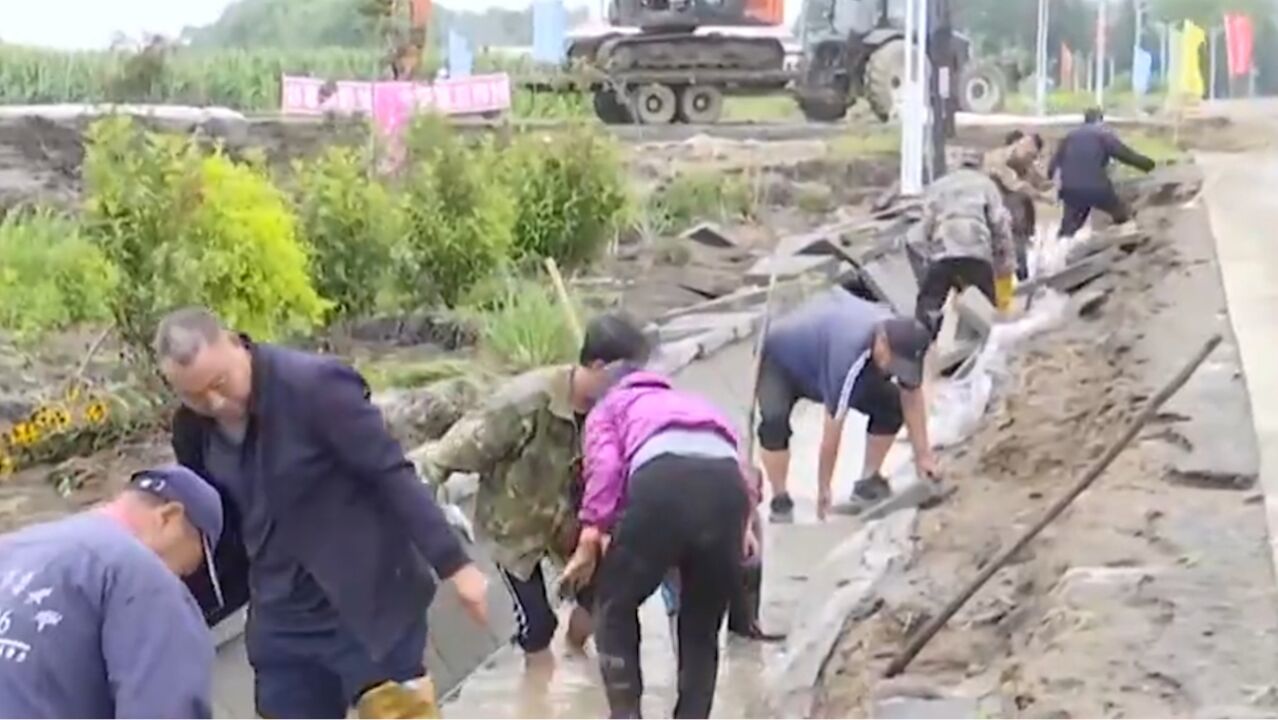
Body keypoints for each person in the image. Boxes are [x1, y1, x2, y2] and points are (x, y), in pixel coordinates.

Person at [156, 306, 489, 719]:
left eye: (220, 383)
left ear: (232, 343)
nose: (214, 402)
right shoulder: (192, 430)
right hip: (282, 620)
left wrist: (455, 564)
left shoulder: (313, 386)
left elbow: (389, 472)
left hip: (369, 608)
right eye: (194, 395)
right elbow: (212, 521)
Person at [412, 313, 652, 664]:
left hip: (571, 526)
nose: (635, 383)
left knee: (603, 602)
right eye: (628, 374)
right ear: (599, 366)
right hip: (514, 532)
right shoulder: (524, 402)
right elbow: (447, 455)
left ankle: (574, 662)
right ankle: (535, 683)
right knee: (538, 626)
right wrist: (417, 515)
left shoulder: (618, 410)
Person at [561, 365, 758, 719]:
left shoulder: (611, 407)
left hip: (662, 487)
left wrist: (593, 530)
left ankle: (626, 714)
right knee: (701, 625)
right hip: (726, 495)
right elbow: (743, 471)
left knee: (616, 605)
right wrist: (744, 527)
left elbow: (605, 468)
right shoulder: (699, 405)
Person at [0, 465, 222, 719]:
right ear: (169, 517)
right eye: (186, 569)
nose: (179, 579)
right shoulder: (142, 575)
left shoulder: (13, 547)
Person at [758, 288, 936, 523]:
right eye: (893, 363)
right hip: (781, 361)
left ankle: (868, 481)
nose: (895, 371)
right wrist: (824, 490)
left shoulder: (901, 337)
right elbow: (832, 433)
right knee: (774, 423)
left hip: (824, 351)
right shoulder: (849, 355)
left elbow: (911, 396)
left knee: (892, 405)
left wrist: (923, 456)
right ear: (881, 342)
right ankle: (780, 499)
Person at [912, 150, 1017, 334]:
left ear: (957, 164)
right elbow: (1000, 225)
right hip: (976, 251)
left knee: (929, 303)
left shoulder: (940, 185)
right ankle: (981, 347)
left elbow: (923, 228)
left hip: (943, 250)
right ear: (980, 165)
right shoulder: (987, 185)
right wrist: (1004, 263)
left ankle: (923, 340)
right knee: (984, 308)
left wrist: (927, 257)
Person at [1049, 107, 1156, 239]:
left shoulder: (1069, 137)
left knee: (1068, 228)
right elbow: (1124, 155)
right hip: (1096, 187)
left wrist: (1052, 182)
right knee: (1121, 213)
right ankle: (1128, 246)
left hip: (1070, 189)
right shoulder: (1102, 135)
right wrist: (1149, 165)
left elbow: (1053, 164)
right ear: (1099, 121)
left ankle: (1058, 255)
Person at [984, 129, 1052, 280]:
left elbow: (1038, 180)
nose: (1032, 160)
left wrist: (1055, 185)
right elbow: (1017, 185)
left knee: (1018, 245)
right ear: (1016, 146)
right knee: (1002, 251)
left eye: (1034, 157)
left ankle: (1021, 281)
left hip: (1017, 212)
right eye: (1030, 156)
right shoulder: (996, 160)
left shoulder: (1024, 161)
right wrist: (1043, 197)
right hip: (998, 208)